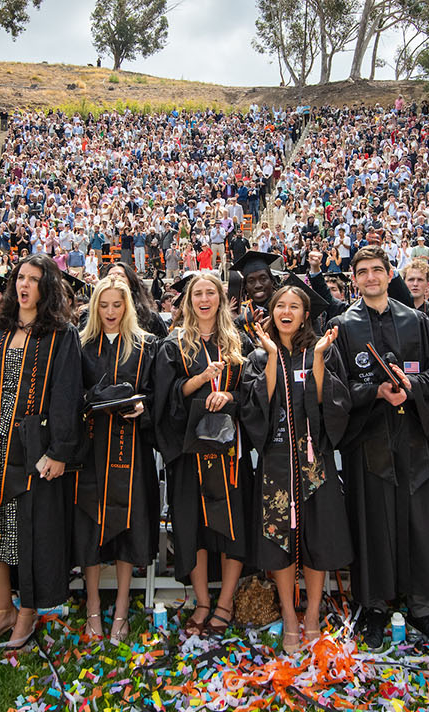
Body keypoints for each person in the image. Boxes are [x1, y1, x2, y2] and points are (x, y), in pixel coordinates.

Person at [0, 254, 83, 651]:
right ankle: (3, 608)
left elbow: (66, 395)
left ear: (48, 288)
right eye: (20, 278)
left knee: (27, 535)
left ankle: (27, 612)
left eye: (34, 280)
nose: (24, 286)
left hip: (33, 446)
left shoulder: (60, 334)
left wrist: (60, 450)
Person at [328, 246, 429, 647]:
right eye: (362, 272)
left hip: (414, 438)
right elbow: (335, 388)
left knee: (418, 522)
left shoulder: (416, 321)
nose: (370, 278)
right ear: (354, 279)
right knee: (373, 523)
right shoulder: (343, 326)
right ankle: (376, 606)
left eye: (377, 270)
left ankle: (421, 608)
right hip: (369, 440)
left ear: (388, 273)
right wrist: (375, 390)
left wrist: (411, 388)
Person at [244, 282, 352, 654]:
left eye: (294, 306)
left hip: (314, 463)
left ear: (306, 314)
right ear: (272, 312)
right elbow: (259, 404)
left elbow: (332, 404)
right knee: (279, 539)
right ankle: (290, 614)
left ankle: (312, 614)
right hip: (275, 461)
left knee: (318, 536)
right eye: (280, 305)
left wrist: (320, 358)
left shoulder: (319, 351)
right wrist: (273, 355)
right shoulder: (260, 355)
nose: (286, 311)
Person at [152, 270, 257, 638]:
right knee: (191, 525)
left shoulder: (237, 342)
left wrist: (229, 396)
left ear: (220, 298)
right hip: (190, 451)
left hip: (228, 452)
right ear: (188, 300)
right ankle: (201, 601)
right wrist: (198, 381)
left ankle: (225, 602)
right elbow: (163, 398)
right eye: (197, 293)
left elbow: (253, 393)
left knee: (232, 526)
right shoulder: (174, 344)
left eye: (210, 291)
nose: (204, 298)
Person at [73, 276, 158, 643]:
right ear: (95, 307)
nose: (110, 312)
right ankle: (93, 606)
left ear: (127, 306)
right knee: (90, 527)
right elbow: (67, 393)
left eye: (117, 305)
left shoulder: (144, 345)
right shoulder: (80, 345)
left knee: (128, 527)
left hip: (131, 449)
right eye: (104, 305)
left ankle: (121, 607)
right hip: (91, 450)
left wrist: (143, 405)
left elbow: (157, 393)